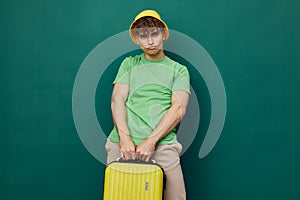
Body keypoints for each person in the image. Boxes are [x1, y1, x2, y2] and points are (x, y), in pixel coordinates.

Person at [105, 9, 190, 200]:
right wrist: (125, 138)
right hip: (122, 144)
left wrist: (151, 141)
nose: (150, 41)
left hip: (162, 146)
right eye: (143, 36)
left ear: (163, 35)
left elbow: (178, 109)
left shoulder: (179, 70)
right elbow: (117, 99)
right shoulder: (129, 64)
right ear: (136, 39)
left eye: (154, 34)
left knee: (177, 197)